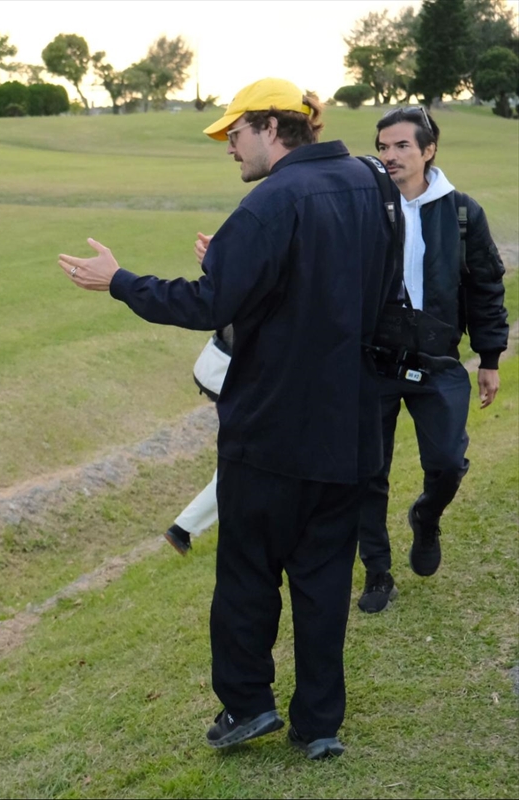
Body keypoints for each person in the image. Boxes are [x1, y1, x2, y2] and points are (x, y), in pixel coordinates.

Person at [58, 78, 399, 760]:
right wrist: (240, 268)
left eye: (234, 134)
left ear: (273, 128)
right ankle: (319, 724)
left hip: (270, 431)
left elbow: (209, 304)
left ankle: (246, 706)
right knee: (325, 578)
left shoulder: (272, 201)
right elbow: (357, 287)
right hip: (351, 428)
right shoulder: (374, 185)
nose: (229, 149)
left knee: (247, 575)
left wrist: (120, 280)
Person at [355, 107, 509, 614]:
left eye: (401, 146)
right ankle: (377, 570)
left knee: (446, 463)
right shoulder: (365, 207)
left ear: (428, 150)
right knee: (366, 472)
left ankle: (426, 516)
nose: (390, 156)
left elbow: (486, 286)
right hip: (372, 362)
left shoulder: (462, 212)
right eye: (383, 146)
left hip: (439, 360)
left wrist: (489, 356)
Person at [164, 235, 230, 557]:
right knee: (239, 463)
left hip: (225, 372)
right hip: (232, 374)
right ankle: (183, 528)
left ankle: (184, 528)